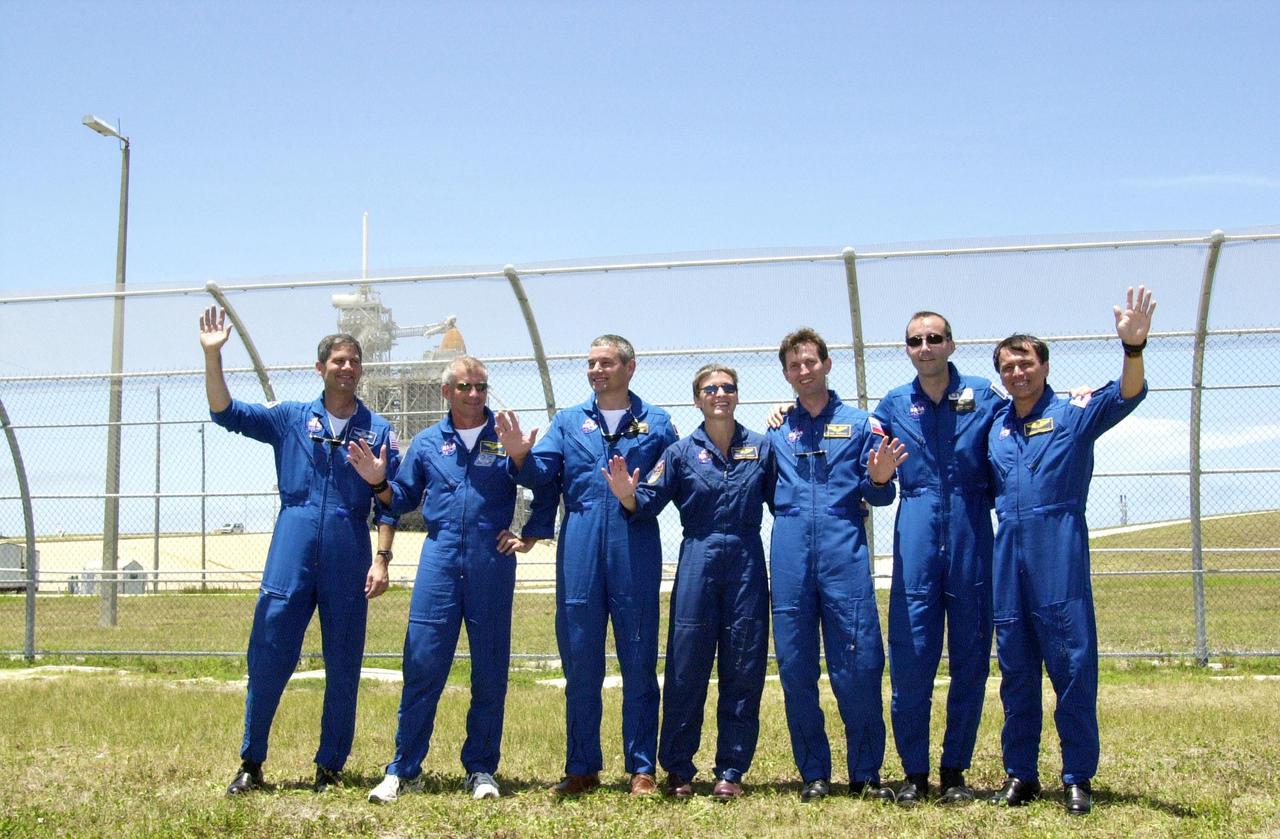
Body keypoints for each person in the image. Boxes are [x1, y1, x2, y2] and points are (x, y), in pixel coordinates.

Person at [200, 306, 400, 796]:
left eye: (354, 361)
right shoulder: (291, 418)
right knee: (270, 649)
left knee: (344, 659)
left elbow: (390, 502)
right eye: (338, 360)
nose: (347, 368)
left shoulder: (378, 430)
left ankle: (330, 765)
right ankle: (251, 760)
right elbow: (226, 412)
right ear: (320, 369)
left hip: (347, 546)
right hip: (293, 538)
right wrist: (213, 357)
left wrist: (381, 558)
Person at [346, 356, 558, 803]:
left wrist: (531, 530)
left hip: (491, 561)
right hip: (439, 559)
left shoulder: (503, 437)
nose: (474, 394)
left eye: (481, 386)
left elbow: (543, 483)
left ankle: (481, 769)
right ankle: (404, 769)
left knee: (490, 671)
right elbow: (400, 501)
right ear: (447, 392)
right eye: (464, 387)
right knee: (422, 665)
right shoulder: (426, 443)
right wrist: (378, 481)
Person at [986, 286, 1156, 816]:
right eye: (1009, 367)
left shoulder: (1074, 413)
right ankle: (1022, 773)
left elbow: (1127, 394)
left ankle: (1077, 775)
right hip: (1007, 551)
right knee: (1016, 669)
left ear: (1044, 365)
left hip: (1058, 548)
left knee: (1072, 665)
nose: (1019, 374)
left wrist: (1133, 348)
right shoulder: (994, 425)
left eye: (1026, 363)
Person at [498, 334, 678, 796]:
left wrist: (633, 497)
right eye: (591, 363)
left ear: (630, 367)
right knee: (580, 658)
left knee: (638, 657)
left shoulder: (656, 423)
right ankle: (581, 766)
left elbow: (667, 483)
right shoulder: (569, 421)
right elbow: (543, 475)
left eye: (606, 362)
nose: (597, 370)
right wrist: (520, 454)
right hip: (579, 543)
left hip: (633, 541)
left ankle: (641, 767)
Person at [602, 364, 772, 800]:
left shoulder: (761, 447)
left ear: (737, 395)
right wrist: (626, 494)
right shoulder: (679, 453)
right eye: (710, 389)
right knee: (686, 667)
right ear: (697, 399)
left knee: (743, 667)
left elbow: (787, 499)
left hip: (747, 562)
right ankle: (679, 768)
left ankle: (730, 770)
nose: (720, 394)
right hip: (697, 558)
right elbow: (647, 501)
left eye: (728, 388)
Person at [767, 327, 906, 802]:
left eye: (810, 362)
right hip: (788, 556)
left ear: (826, 364)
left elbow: (878, 491)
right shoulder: (775, 429)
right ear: (786, 374)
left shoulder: (862, 423)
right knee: (795, 666)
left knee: (859, 662)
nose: (803, 371)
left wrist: (881, 480)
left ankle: (866, 773)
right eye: (793, 365)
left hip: (843, 553)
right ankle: (814, 774)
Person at [874, 312, 1006, 806]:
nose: (925, 347)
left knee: (971, 657)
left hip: (972, 527)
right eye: (915, 340)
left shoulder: (984, 394)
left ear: (951, 343)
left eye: (934, 338)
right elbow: (874, 484)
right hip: (917, 526)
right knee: (910, 658)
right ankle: (914, 772)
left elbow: (1016, 435)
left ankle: (954, 770)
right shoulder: (892, 404)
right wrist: (883, 478)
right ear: (906, 349)